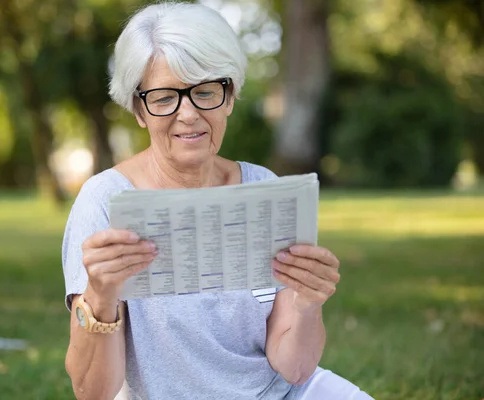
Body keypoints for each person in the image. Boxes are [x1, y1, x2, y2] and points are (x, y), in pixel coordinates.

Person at [61, 2, 373, 399]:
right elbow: (93, 392)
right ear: (140, 110)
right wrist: (100, 296)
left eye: (205, 92)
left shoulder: (263, 187)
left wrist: (307, 304)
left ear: (229, 96)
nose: (188, 114)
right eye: (163, 98)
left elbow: (294, 368)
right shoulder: (104, 200)